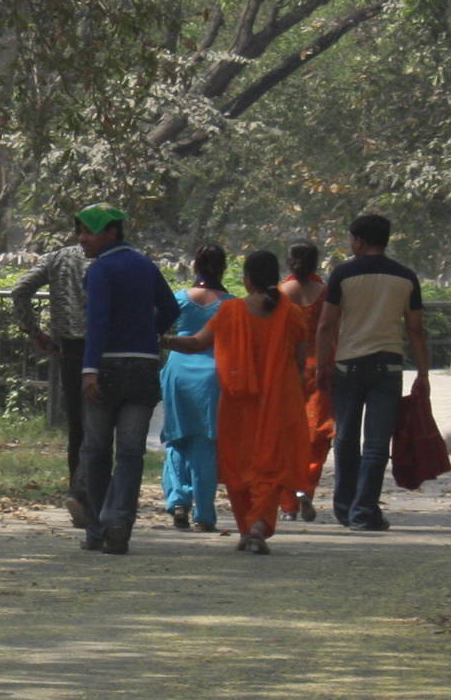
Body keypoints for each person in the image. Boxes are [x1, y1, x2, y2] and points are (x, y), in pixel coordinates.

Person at [165, 250, 309, 554]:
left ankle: (249, 527)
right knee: (269, 466)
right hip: (277, 405)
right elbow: (299, 364)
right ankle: (256, 527)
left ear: (246, 279)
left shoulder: (232, 311)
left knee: (238, 467)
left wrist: (159, 340)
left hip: (237, 406)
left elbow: (195, 344)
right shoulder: (292, 314)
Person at [76, 203, 179, 555]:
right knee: (131, 452)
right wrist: (147, 334)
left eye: (88, 232)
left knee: (96, 449)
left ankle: (96, 528)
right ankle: (120, 525)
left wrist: (89, 370)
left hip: (106, 367)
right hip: (143, 367)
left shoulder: (100, 270)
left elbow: (97, 323)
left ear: (111, 233)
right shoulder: (146, 266)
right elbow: (171, 309)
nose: (82, 239)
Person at [316, 214, 430, 531]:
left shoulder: (343, 275)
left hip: (348, 365)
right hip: (388, 367)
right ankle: (364, 512)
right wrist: (423, 373)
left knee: (346, 439)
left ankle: (344, 508)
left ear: (360, 241)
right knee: (378, 445)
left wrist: (322, 364)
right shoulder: (406, 277)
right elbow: (416, 330)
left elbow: (326, 324)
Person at [10, 239, 92, 525]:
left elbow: (20, 290)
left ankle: (78, 492)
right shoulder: (117, 257)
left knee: (77, 426)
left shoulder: (58, 258)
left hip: (69, 348)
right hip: (107, 348)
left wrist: (34, 332)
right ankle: (91, 495)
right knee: (102, 425)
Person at [159, 245, 231, 534]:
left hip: (178, 369)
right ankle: (204, 514)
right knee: (205, 441)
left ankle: (178, 500)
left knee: (177, 437)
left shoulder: (178, 299)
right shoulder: (231, 304)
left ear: (195, 266)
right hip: (213, 373)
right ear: (224, 268)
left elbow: (159, 326)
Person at [277, 241, 332, 522]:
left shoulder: (279, 294)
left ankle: (287, 503)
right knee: (317, 436)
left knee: (286, 435)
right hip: (320, 369)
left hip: (286, 371)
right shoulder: (326, 293)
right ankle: (306, 489)